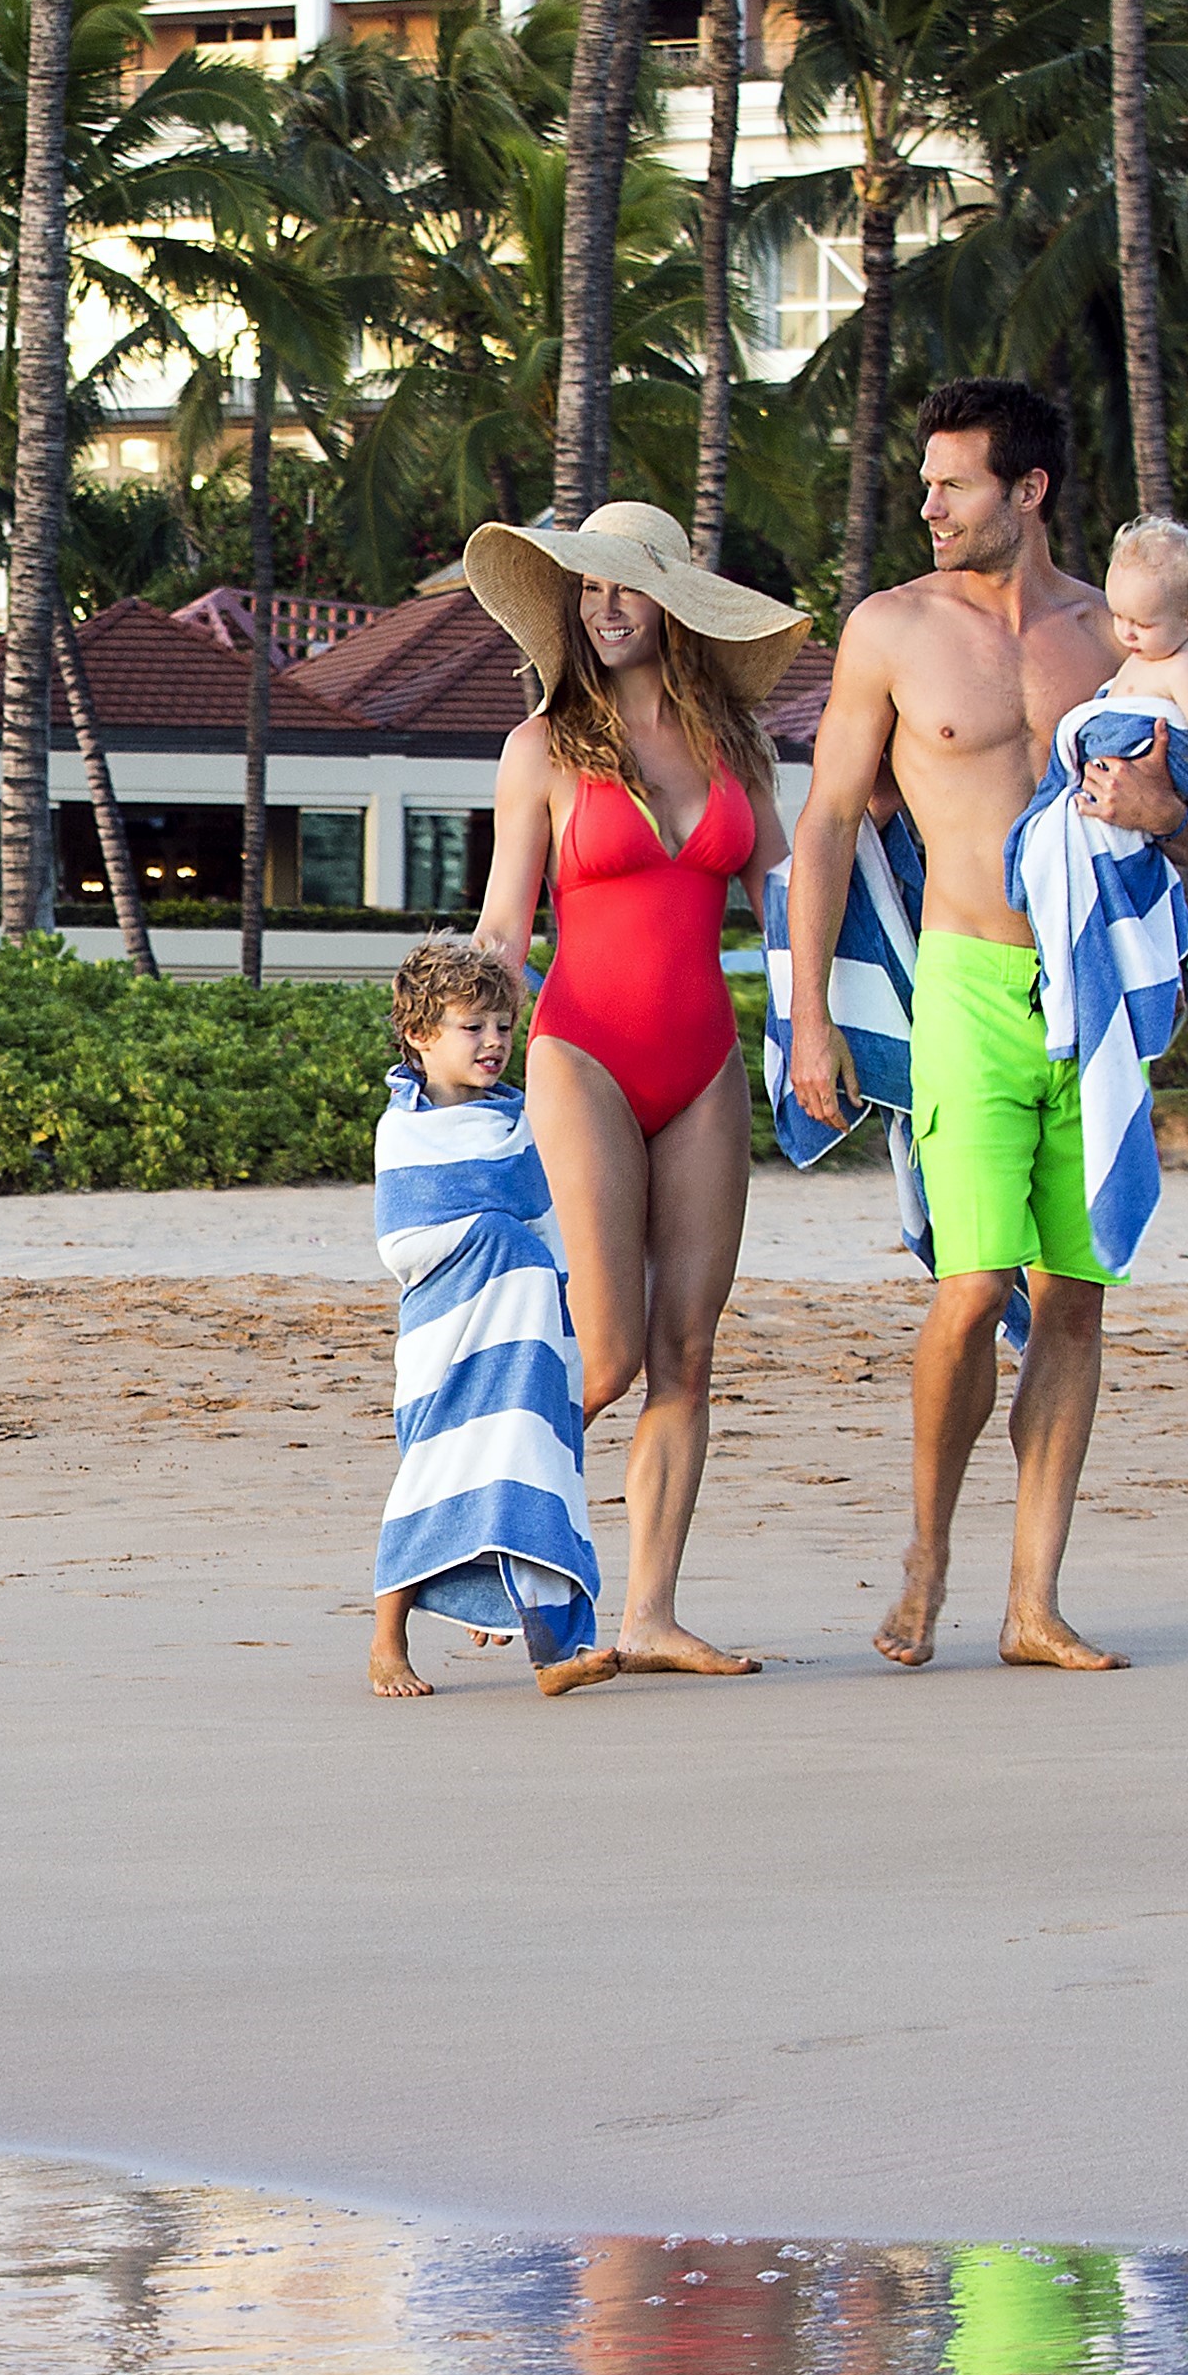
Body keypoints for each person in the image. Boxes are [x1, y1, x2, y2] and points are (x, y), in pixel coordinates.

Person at [777, 378, 1188, 1673]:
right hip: (962, 982)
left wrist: (1162, 819)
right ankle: (925, 1551)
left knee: (1072, 1296)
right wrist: (808, 1024)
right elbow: (829, 823)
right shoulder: (891, 630)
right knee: (968, 1292)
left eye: (951, 484)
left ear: (1027, 491)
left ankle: (1032, 1602)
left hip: (1087, 999)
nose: (928, 506)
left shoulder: (1118, 641)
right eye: (923, 483)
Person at [465, 499, 811, 1680]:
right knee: (604, 1354)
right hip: (583, 1052)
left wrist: (820, 1021)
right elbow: (508, 923)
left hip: (705, 1062)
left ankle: (651, 1615)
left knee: (688, 1351)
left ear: (673, 604)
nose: (606, 606)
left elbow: (787, 905)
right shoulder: (542, 750)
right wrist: (456, 1042)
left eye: (629, 586)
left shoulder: (737, 748)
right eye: (589, 587)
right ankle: (493, 1539)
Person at [370, 932, 613, 1701]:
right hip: (450, 1339)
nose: (495, 1042)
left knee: (530, 1469)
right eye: (472, 1027)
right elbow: (403, 1240)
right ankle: (386, 1643)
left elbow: (546, 1230)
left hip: (522, 1337)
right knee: (436, 1475)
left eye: (504, 1025)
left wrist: (545, 1294)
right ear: (420, 1035)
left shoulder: (514, 1122)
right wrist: (492, 1237)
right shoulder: (405, 1129)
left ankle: (555, 1653)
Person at [1096, 520, 1188, 874]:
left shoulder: (1183, 666)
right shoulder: (1151, 649)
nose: (1126, 633)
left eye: (1142, 624)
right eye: (1118, 616)